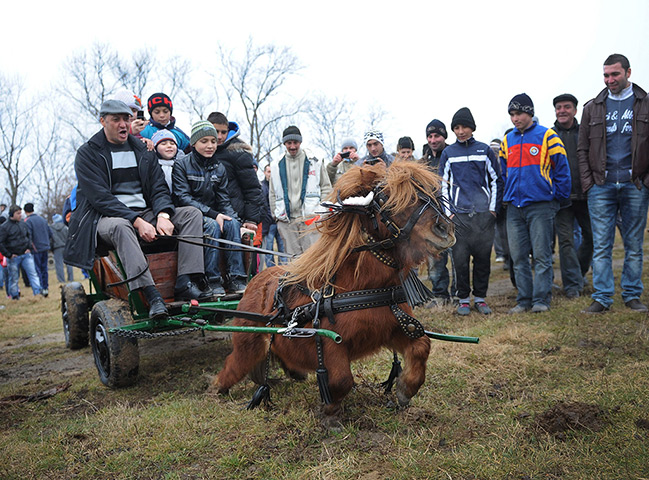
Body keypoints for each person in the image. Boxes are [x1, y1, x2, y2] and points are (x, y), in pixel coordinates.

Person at [64, 100, 210, 319]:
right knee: (122, 227)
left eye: (126, 119)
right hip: (104, 217)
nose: (123, 124)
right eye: (116, 120)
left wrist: (162, 214)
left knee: (191, 214)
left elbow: (159, 187)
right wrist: (137, 221)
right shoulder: (87, 154)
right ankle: (151, 296)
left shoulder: (143, 149)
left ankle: (185, 281)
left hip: (146, 212)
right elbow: (100, 198)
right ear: (103, 121)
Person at [578, 54, 649, 313]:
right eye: (606, 75)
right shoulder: (592, 107)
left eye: (615, 74)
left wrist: (645, 180)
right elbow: (582, 149)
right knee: (601, 245)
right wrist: (590, 184)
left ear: (628, 72)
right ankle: (602, 297)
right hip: (601, 185)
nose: (610, 80)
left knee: (633, 244)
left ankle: (632, 295)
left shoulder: (645, 103)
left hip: (635, 185)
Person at [500, 93, 571, 313]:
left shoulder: (548, 136)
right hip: (514, 207)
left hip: (541, 206)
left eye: (519, 113)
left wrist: (555, 197)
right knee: (518, 257)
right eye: (512, 114)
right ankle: (524, 300)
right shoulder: (507, 139)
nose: (515, 118)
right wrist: (507, 196)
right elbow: (503, 171)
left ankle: (541, 299)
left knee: (541, 255)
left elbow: (562, 170)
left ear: (529, 112)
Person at [439, 108, 503, 315]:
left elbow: (496, 181)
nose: (460, 131)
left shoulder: (484, 150)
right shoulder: (448, 153)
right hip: (459, 216)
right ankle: (463, 299)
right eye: (456, 128)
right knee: (460, 259)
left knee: (483, 258)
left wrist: (492, 211)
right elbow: (443, 186)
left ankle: (481, 298)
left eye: (464, 126)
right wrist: (449, 214)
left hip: (483, 214)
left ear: (472, 127)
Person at [173, 120, 248, 295]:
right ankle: (211, 280)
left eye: (213, 141)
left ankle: (236, 278)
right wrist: (214, 214)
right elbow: (183, 198)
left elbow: (224, 201)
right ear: (193, 143)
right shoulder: (182, 165)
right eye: (204, 141)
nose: (210, 146)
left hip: (214, 213)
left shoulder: (219, 168)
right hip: (190, 215)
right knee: (212, 225)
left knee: (232, 223)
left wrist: (237, 222)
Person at [269, 125, 332, 255]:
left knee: (313, 258)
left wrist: (321, 212)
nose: (292, 146)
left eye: (295, 142)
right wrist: (276, 216)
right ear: (284, 143)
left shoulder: (315, 160)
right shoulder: (276, 165)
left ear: (300, 142)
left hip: (311, 218)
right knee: (293, 261)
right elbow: (272, 193)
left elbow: (326, 187)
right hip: (287, 221)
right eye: (289, 143)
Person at [552, 93, 592, 298]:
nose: (562, 111)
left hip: (587, 195)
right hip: (562, 199)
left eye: (566, 107)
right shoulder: (549, 136)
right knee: (566, 242)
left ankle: (579, 272)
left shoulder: (586, 132)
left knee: (592, 238)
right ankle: (573, 286)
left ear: (575, 110)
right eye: (558, 107)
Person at [207, 112, 263, 234]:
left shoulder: (238, 153)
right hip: (210, 215)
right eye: (216, 131)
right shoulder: (202, 152)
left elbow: (252, 188)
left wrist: (251, 219)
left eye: (223, 132)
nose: (220, 136)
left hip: (235, 216)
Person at [421, 119, 455, 306]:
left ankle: (458, 295)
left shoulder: (451, 154)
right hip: (430, 219)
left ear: (444, 136)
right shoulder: (423, 161)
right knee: (435, 260)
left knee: (457, 258)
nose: (433, 140)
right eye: (430, 136)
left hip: (451, 215)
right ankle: (440, 295)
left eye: (437, 136)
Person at [0, 205, 42, 299]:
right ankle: (14, 296)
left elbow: (29, 236)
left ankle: (37, 293)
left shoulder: (23, 224)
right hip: (13, 256)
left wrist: (29, 247)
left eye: (21, 213)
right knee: (14, 278)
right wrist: (9, 254)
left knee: (33, 274)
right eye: (18, 213)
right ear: (12, 214)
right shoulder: (4, 227)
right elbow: (1, 242)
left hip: (26, 254)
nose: (20, 215)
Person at [24, 203, 53, 297]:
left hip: (36, 249)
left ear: (25, 211)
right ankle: (45, 288)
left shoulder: (28, 221)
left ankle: (40, 289)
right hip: (45, 246)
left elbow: (29, 236)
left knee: (37, 270)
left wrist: (29, 247)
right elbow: (50, 233)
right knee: (44, 269)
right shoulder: (42, 219)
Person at [260, 163, 285, 268]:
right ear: (265, 172)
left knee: (283, 250)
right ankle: (270, 271)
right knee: (268, 250)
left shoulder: (280, 185)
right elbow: (263, 205)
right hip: (268, 224)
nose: (270, 174)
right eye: (268, 171)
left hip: (280, 221)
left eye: (272, 171)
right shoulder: (261, 186)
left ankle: (283, 271)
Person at [50, 214, 73, 282]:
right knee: (69, 263)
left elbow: (51, 240)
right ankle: (70, 278)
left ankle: (61, 279)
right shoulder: (65, 227)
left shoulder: (51, 228)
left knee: (59, 264)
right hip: (66, 246)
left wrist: (51, 248)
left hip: (57, 247)